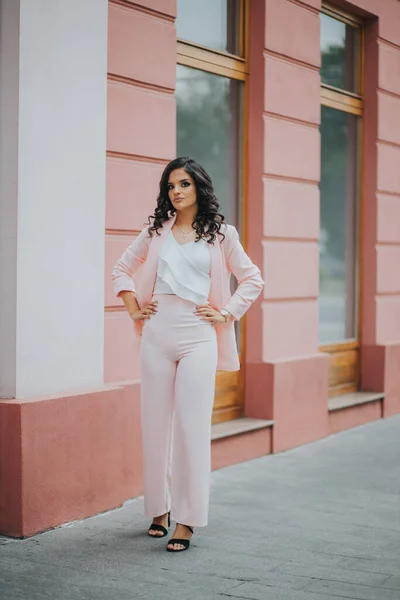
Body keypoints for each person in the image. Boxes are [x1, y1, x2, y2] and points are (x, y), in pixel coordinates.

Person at [112, 156, 264, 552]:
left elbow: (252, 278)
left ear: (199, 187)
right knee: (155, 426)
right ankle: (158, 509)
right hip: (157, 335)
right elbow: (121, 269)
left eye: (183, 184)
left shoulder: (221, 234)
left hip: (199, 337)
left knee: (192, 429)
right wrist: (133, 307)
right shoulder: (156, 231)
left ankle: (187, 520)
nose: (176, 192)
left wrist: (226, 312)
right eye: (170, 186)